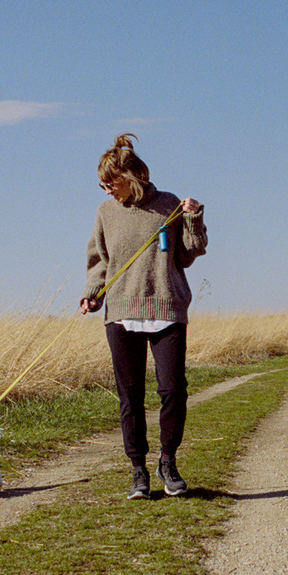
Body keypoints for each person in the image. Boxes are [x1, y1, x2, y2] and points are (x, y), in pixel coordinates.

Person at [80, 133, 208, 499]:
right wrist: (92, 295)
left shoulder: (168, 204)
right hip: (120, 313)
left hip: (166, 309)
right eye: (102, 186)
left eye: (110, 184)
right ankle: (138, 470)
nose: (106, 191)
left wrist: (194, 219)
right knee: (129, 398)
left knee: (173, 391)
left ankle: (168, 462)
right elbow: (99, 261)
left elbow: (189, 253)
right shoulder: (106, 213)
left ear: (130, 177)